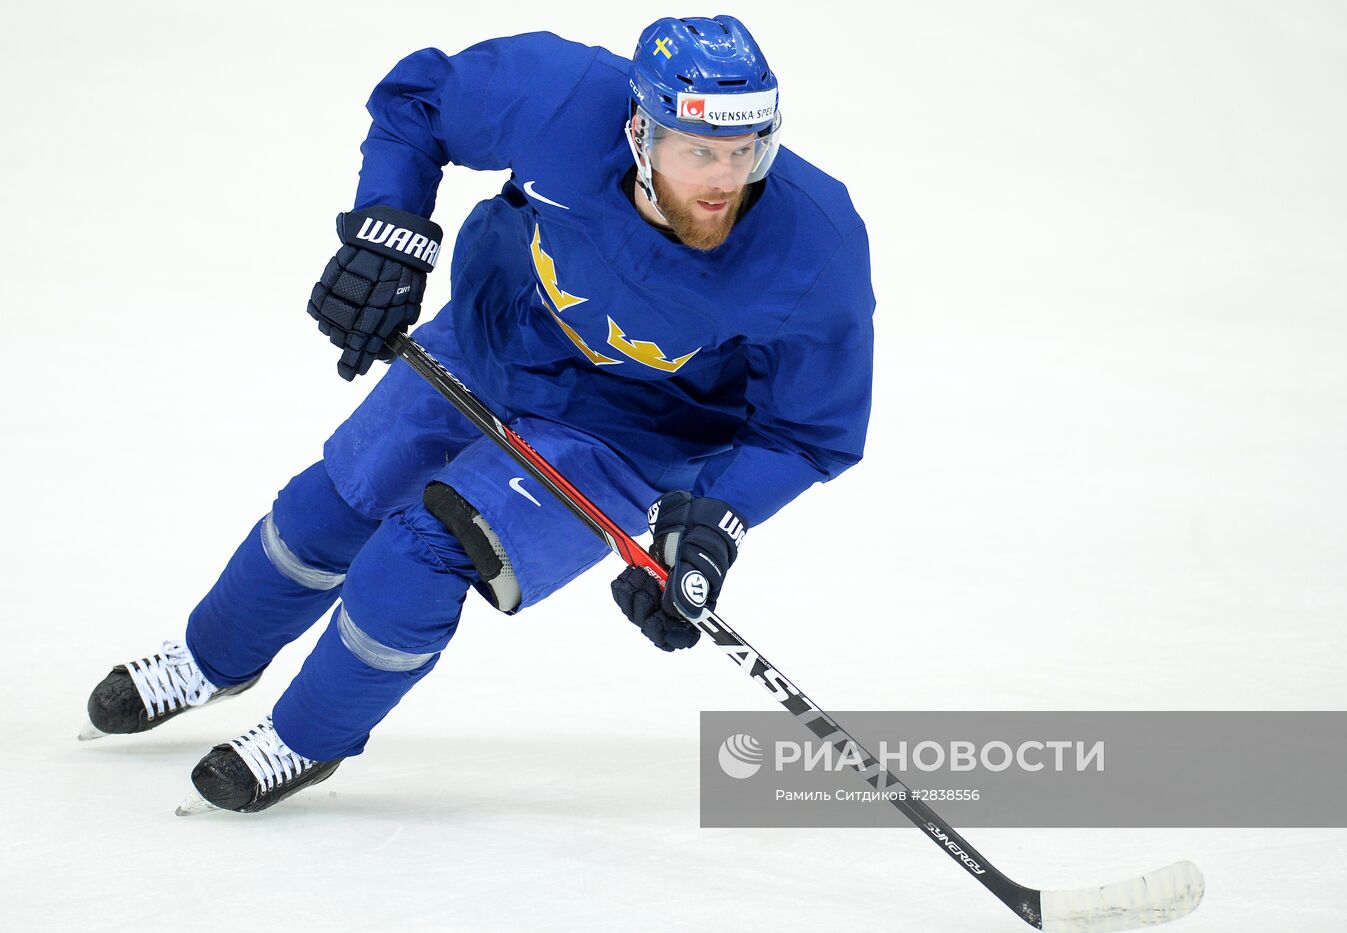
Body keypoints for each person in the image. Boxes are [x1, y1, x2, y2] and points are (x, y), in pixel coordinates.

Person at [81, 15, 875, 815]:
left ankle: (305, 736)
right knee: (333, 503)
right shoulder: (562, 94)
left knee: (418, 555)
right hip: (498, 333)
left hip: (630, 429)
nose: (723, 179)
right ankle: (209, 658)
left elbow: (806, 428)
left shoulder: (818, 242)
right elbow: (420, 100)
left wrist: (713, 521)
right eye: (697, 150)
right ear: (639, 128)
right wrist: (389, 235)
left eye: (746, 151)